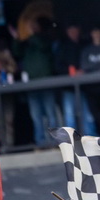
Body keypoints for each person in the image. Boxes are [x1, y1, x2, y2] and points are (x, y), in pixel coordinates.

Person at [10, 17, 59, 147]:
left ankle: (55, 141)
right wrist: (17, 39)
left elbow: (43, 46)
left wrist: (32, 35)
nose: (31, 28)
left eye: (34, 25)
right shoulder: (27, 43)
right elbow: (17, 52)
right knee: (36, 115)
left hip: (46, 81)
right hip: (32, 84)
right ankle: (40, 142)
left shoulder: (45, 39)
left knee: (50, 114)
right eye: (29, 26)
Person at [54, 23, 97, 136]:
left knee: (86, 115)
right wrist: (70, 72)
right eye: (71, 30)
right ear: (67, 32)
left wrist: (84, 71)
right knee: (69, 116)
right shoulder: (62, 46)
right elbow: (58, 66)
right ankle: (72, 141)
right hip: (68, 87)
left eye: (75, 30)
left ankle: (90, 138)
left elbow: (90, 62)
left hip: (84, 87)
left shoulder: (84, 45)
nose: (74, 32)